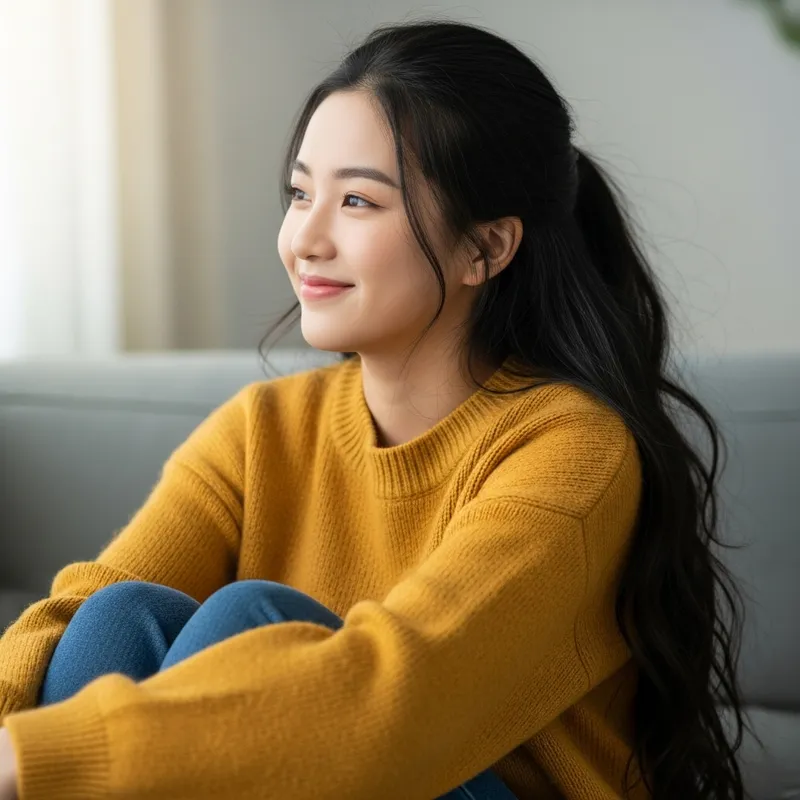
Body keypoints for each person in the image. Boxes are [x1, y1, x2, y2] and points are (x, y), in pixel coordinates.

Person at [0, 18, 746, 800]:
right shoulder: (264, 429)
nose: (305, 239)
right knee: (117, 616)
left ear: (485, 248)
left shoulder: (572, 451)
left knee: (252, 622)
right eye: (301, 194)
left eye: (357, 201)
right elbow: (81, 604)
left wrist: (41, 760)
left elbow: (394, 702)